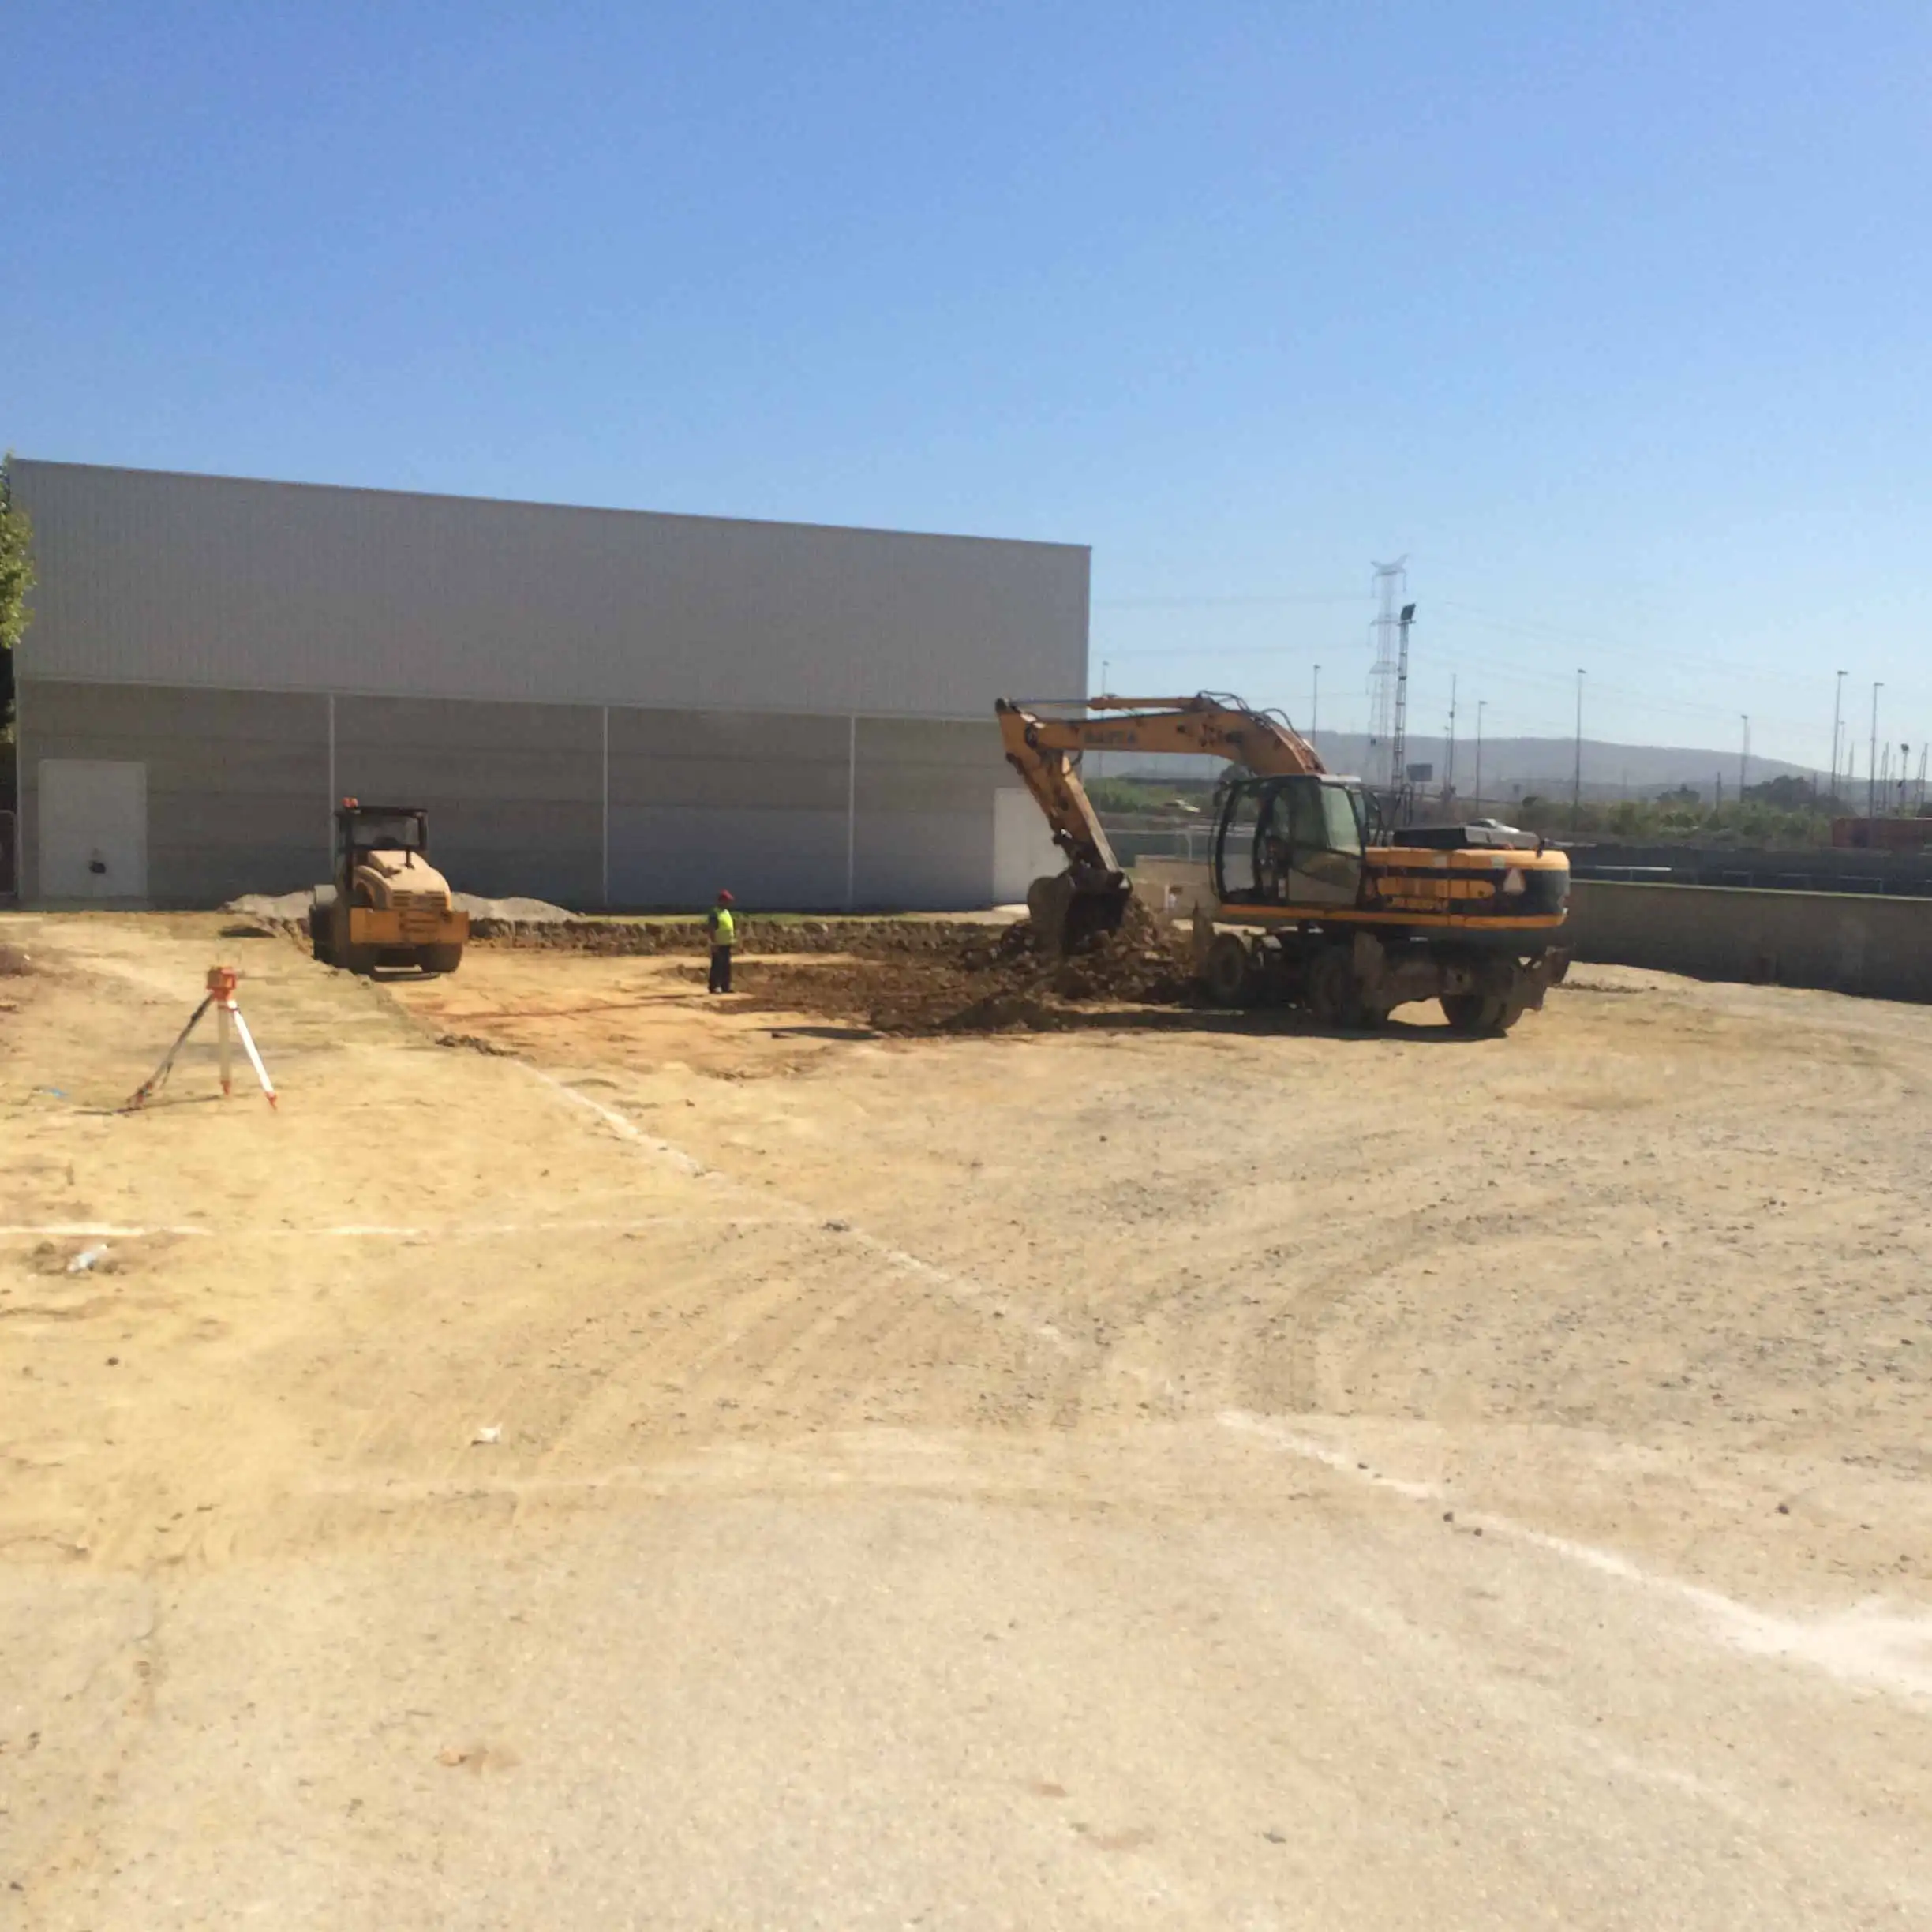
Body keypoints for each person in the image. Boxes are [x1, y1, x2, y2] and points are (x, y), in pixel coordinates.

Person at [706, 889, 736, 993]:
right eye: (727, 901)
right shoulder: (715, 913)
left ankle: (725, 986)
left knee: (726, 966)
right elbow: (712, 928)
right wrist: (713, 943)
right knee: (717, 965)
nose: (729, 903)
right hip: (718, 943)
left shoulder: (726, 912)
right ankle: (714, 986)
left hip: (727, 944)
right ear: (721, 901)